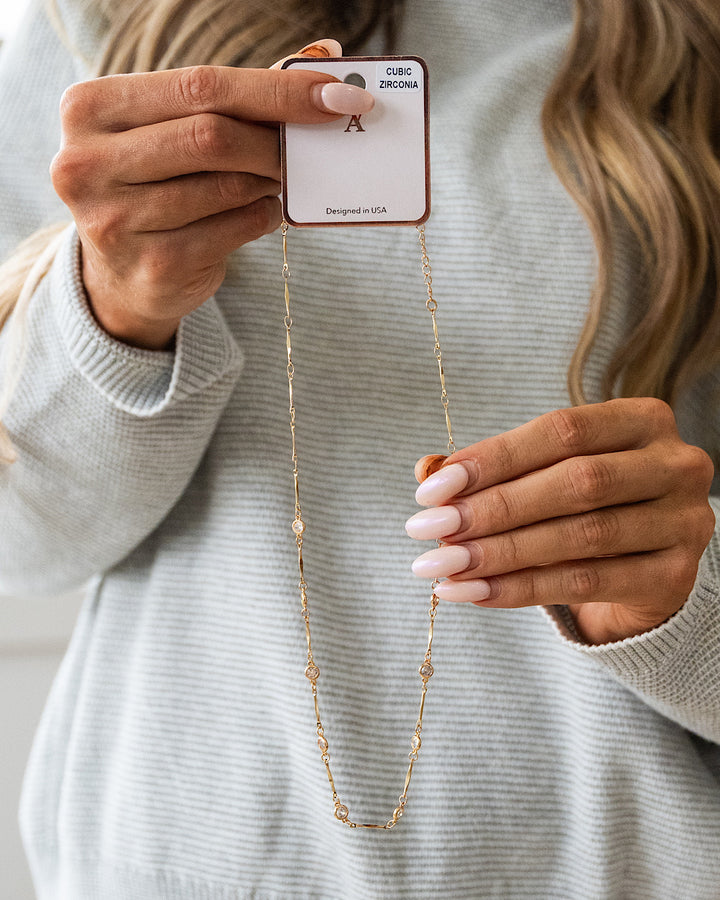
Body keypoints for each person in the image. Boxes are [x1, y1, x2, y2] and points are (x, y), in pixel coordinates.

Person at [1, 0, 719, 896]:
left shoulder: (697, 56)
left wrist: (683, 601)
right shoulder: (98, 25)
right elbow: (20, 545)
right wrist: (113, 312)